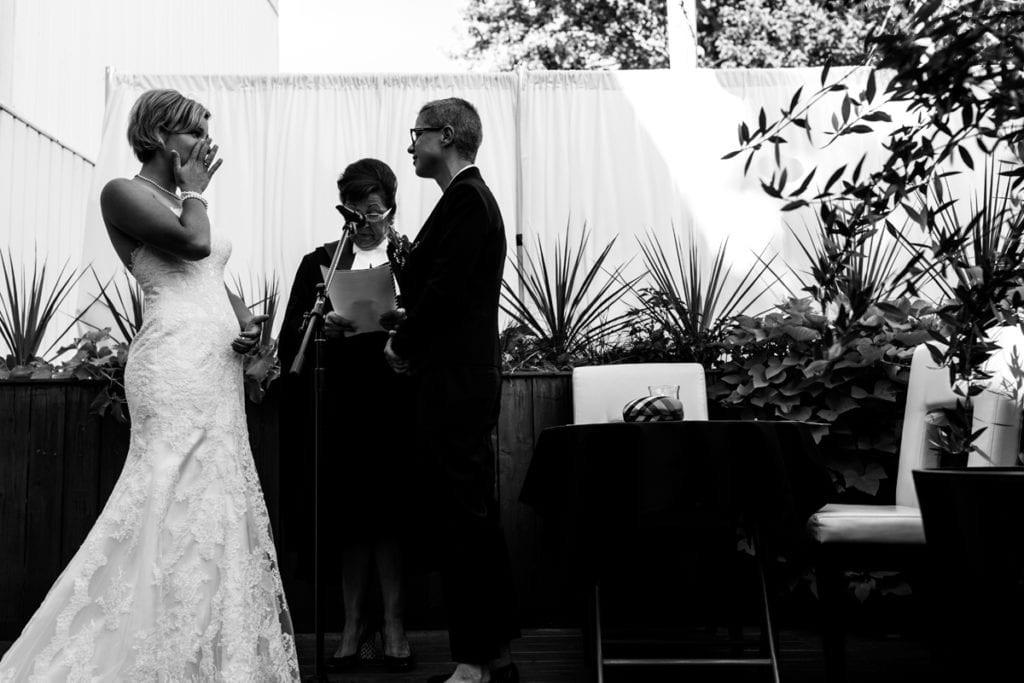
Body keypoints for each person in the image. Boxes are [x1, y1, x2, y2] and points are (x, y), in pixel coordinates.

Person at [0, 89, 300, 680]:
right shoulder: (125, 193)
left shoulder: (186, 200)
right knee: (165, 494)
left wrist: (245, 326)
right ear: (161, 135)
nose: (205, 146)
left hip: (216, 368)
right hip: (172, 368)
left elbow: (212, 274)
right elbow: (192, 245)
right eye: (194, 133)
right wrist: (195, 193)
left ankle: (212, 653)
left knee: (216, 501)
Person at [385, 98, 520, 683]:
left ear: (445, 135)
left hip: (455, 380)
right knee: (470, 517)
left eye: (416, 135)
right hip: (461, 375)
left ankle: (473, 660)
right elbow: (438, 288)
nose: (410, 146)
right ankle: (493, 656)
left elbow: (444, 294)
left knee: (463, 521)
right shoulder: (464, 201)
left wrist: (401, 343)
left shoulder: (466, 199)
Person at [277, 158, 415, 674]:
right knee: (351, 516)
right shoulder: (323, 261)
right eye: (353, 210)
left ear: (391, 207)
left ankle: (396, 626)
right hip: (340, 397)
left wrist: (404, 320)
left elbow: (437, 316)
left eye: (373, 210)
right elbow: (291, 333)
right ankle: (355, 625)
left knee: (391, 514)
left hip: (395, 395)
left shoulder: (409, 257)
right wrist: (323, 327)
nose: (363, 220)